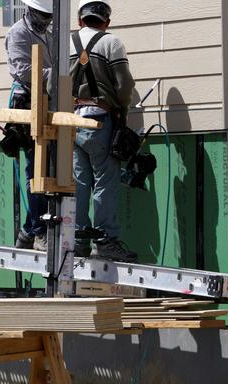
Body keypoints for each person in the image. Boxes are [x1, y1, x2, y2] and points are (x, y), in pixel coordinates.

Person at [69, 0, 137, 261]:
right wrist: (122, 111)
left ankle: (78, 240)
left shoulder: (66, 44)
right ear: (106, 22)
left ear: (79, 20)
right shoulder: (112, 43)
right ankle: (105, 239)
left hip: (72, 122)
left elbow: (52, 86)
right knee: (105, 182)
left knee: (80, 183)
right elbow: (124, 85)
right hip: (100, 119)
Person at [3, 0, 54, 251]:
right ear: (29, 10)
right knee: (36, 170)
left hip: (47, 103)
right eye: (41, 15)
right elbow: (23, 71)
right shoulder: (17, 33)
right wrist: (56, 74)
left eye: (48, 17)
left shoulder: (50, 35)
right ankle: (36, 231)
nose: (44, 21)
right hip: (26, 103)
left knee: (44, 170)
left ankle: (28, 230)